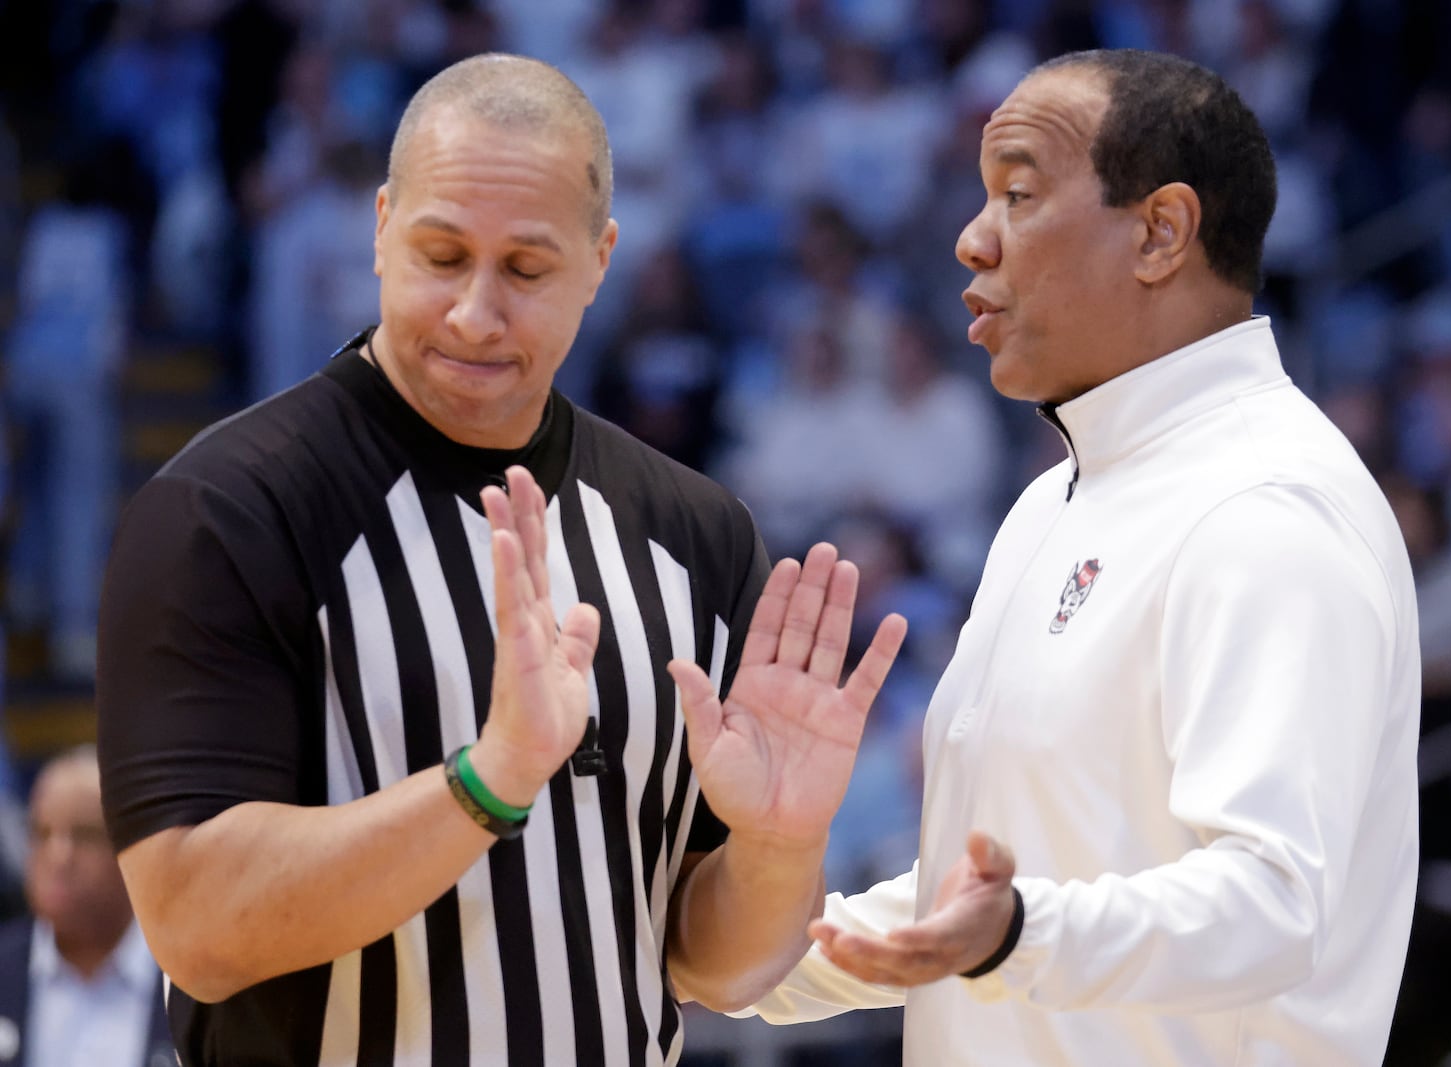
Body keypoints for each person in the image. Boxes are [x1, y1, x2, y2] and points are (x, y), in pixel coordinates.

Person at [95, 53, 905, 1067]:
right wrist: (489, 780)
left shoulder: (694, 532)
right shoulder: (228, 510)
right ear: (380, 225)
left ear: (600, 259)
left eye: (525, 269)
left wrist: (780, 844)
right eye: (441, 254)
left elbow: (714, 968)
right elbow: (197, 926)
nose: (476, 312)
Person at [739, 49, 1422, 1066]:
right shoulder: (1053, 500)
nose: (971, 241)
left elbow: (1273, 901)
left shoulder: (1266, 507)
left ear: (1160, 233)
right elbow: (988, 897)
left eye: (1018, 194)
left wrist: (1016, 933)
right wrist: (736, 950)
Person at [0, 747, 175, 1067]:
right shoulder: (5, 967)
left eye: (84, 835)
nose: (59, 856)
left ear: (132, 848)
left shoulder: (184, 982)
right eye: (42, 833)